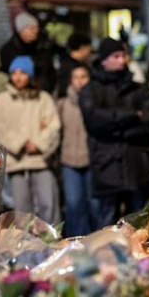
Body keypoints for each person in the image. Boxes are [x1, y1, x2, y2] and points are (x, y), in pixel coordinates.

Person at [78, 38, 149, 226]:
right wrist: (133, 115)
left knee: (140, 224)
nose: (122, 60)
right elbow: (95, 121)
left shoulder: (137, 88)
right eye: (116, 56)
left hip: (137, 163)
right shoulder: (91, 91)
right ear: (104, 60)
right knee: (107, 225)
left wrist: (115, 126)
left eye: (123, 55)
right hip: (107, 166)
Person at [0, 56, 62, 225]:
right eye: (14, 73)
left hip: (40, 161)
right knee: (21, 210)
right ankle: (26, 246)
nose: (18, 77)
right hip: (17, 163)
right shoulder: (1, 101)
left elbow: (53, 126)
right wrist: (20, 144)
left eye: (22, 72)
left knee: (48, 204)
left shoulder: (43, 99)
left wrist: (38, 144)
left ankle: (51, 243)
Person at [57, 64, 95, 236]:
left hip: (92, 160)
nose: (80, 81)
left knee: (94, 205)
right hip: (69, 161)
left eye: (83, 76)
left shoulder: (96, 102)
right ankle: (76, 243)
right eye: (76, 77)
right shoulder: (63, 105)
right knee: (73, 205)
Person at [0, 12, 57, 93]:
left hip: (40, 92)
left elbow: (50, 72)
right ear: (21, 30)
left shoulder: (43, 47)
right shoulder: (8, 50)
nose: (35, 31)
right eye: (31, 28)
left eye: (37, 28)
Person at [57, 34, 92, 98]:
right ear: (82, 47)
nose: (90, 51)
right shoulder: (71, 67)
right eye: (89, 47)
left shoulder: (64, 63)